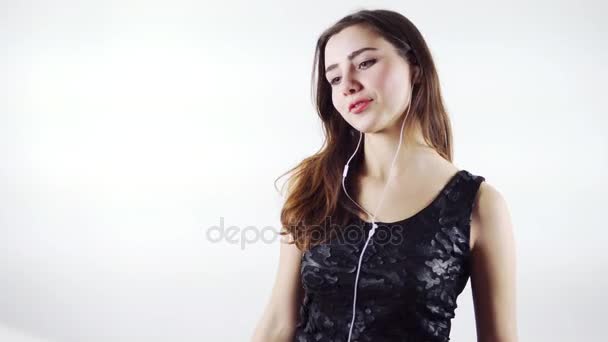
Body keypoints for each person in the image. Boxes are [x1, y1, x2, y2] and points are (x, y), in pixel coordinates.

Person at [251, 8, 517, 342]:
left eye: (365, 63)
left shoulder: (478, 204)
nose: (347, 85)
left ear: (415, 68)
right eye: (334, 78)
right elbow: (278, 322)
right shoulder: (313, 184)